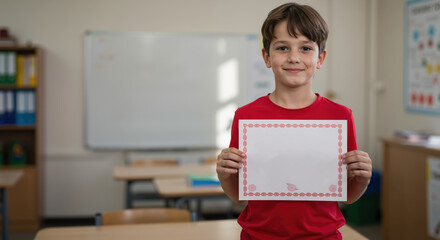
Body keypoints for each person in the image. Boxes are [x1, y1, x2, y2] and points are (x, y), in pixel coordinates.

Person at [216, 2, 372, 239]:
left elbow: (346, 195)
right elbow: (239, 194)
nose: (294, 57)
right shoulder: (247, 116)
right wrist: (224, 174)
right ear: (266, 57)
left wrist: (362, 179)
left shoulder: (340, 116)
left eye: (306, 48)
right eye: (282, 48)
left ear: (320, 58)